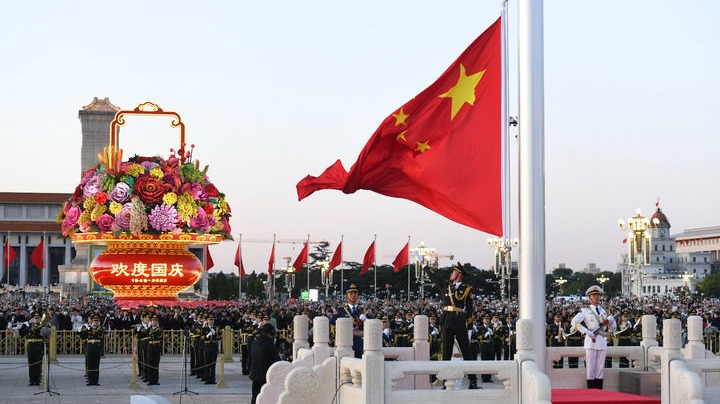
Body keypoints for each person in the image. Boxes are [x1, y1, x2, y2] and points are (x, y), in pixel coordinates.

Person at [429, 262, 478, 389]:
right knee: (446, 352)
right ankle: (446, 381)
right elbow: (435, 278)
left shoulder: (467, 289)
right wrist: (424, 267)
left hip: (460, 320)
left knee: (467, 352)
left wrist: (470, 328)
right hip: (447, 320)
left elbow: (470, 310)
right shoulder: (447, 286)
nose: (451, 274)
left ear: (459, 274)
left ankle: (473, 381)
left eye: (453, 272)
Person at [571, 285, 616, 389]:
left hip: (602, 341)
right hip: (591, 341)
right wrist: (587, 332)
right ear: (590, 298)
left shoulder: (605, 311)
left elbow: (612, 327)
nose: (596, 297)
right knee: (590, 370)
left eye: (598, 295)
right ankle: (591, 393)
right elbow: (574, 322)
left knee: (600, 370)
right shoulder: (585, 311)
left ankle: (599, 392)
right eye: (594, 295)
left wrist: (611, 322)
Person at [331, 284, 367, 358]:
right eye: (351, 293)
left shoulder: (362, 311)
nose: (353, 295)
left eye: (355, 293)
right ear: (347, 296)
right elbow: (332, 322)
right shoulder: (341, 310)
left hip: (360, 344)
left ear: (358, 295)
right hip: (346, 344)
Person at [249, 323, 281, 404]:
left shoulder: (255, 343)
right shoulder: (269, 344)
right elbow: (277, 361)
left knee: (255, 397)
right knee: (266, 398)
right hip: (266, 376)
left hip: (255, 375)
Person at [18, 312, 49, 386]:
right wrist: (23, 326)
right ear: (32, 319)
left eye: (38, 318)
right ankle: (31, 380)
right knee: (31, 363)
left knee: (38, 363)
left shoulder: (42, 326)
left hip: (39, 345)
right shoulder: (28, 326)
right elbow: (22, 333)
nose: (36, 319)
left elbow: (46, 334)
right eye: (35, 318)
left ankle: (37, 380)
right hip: (31, 345)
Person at [80, 315, 105, 386]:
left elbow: (100, 335)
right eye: (94, 321)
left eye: (97, 321)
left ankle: (96, 380)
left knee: (96, 364)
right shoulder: (88, 328)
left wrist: (92, 329)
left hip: (96, 346)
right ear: (92, 322)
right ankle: (90, 380)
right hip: (89, 346)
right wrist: (84, 330)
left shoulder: (100, 329)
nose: (95, 322)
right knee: (90, 363)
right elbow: (82, 336)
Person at [201, 315, 221, 384]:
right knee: (207, 363)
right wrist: (207, 336)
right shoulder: (204, 328)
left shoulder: (216, 328)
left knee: (213, 364)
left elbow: (219, 337)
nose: (211, 321)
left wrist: (215, 333)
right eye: (209, 320)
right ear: (207, 321)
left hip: (214, 346)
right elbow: (202, 337)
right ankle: (207, 379)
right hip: (207, 346)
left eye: (212, 320)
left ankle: (212, 379)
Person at [146, 315, 163, 385]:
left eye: (155, 321)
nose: (154, 322)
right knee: (150, 363)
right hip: (150, 346)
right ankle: (150, 380)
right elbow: (146, 335)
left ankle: (155, 380)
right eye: (153, 321)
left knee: (156, 364)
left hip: (156, 346)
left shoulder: (159, 329)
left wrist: (152, 332)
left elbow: (158, 336)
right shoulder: (149, 329)